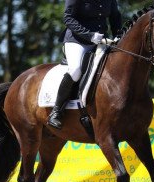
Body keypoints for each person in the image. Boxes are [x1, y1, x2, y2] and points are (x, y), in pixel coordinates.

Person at [47, 0, 122, 130]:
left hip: (101, 40)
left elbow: (115, 16)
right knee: (76, 69)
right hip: (77, 41)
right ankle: (56, 111)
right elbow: (68, 18)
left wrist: (118, 36)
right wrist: (89, 35)